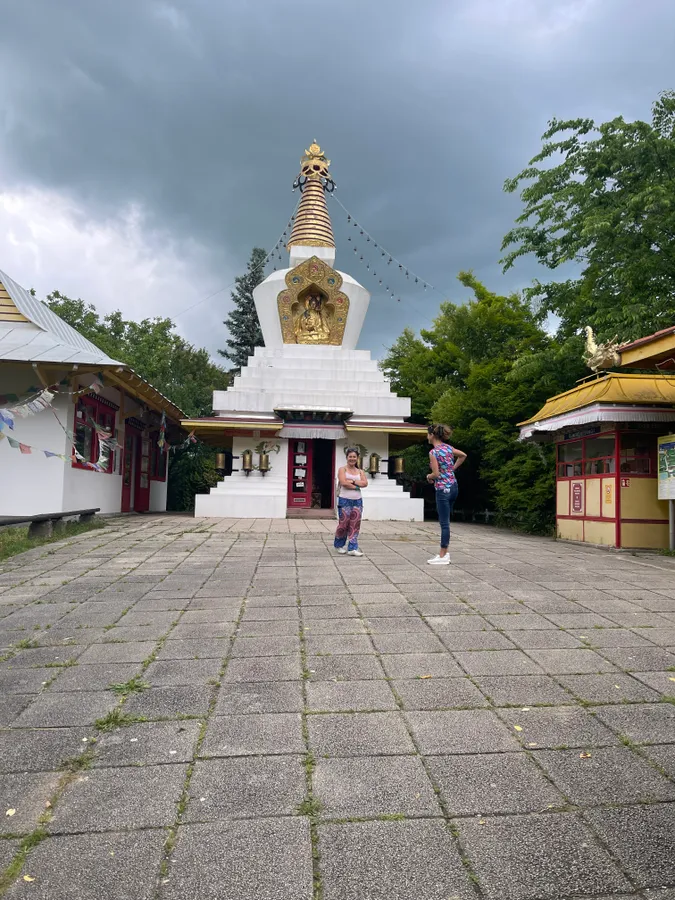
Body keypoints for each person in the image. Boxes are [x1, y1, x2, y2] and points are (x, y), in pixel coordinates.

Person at [426, 424, 466, 565]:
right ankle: (445, 552)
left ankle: (443, 555)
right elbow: (463, 455)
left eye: (428, 433)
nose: (427, 436)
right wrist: (452, 469)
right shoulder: (448, 448)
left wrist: (429, 476)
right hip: (454, 487)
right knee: (446, 522)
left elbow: (436, 474)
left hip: (443, 490)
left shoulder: (434, 452)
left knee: (444, 523)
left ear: (432, 435)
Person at [334, 447, 368, 557]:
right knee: (343, 524)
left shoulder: (360, 471)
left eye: (354, 457)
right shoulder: (342, 469)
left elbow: (365, 483)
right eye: (350, 457)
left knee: (355, 524)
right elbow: (343, 482)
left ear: (357, 458)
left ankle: (352, 548)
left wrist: (352, 481)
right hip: (344, 499)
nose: (352, 459)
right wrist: (357, 485)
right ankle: (339, 545)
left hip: (357, 501)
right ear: (347, 458)